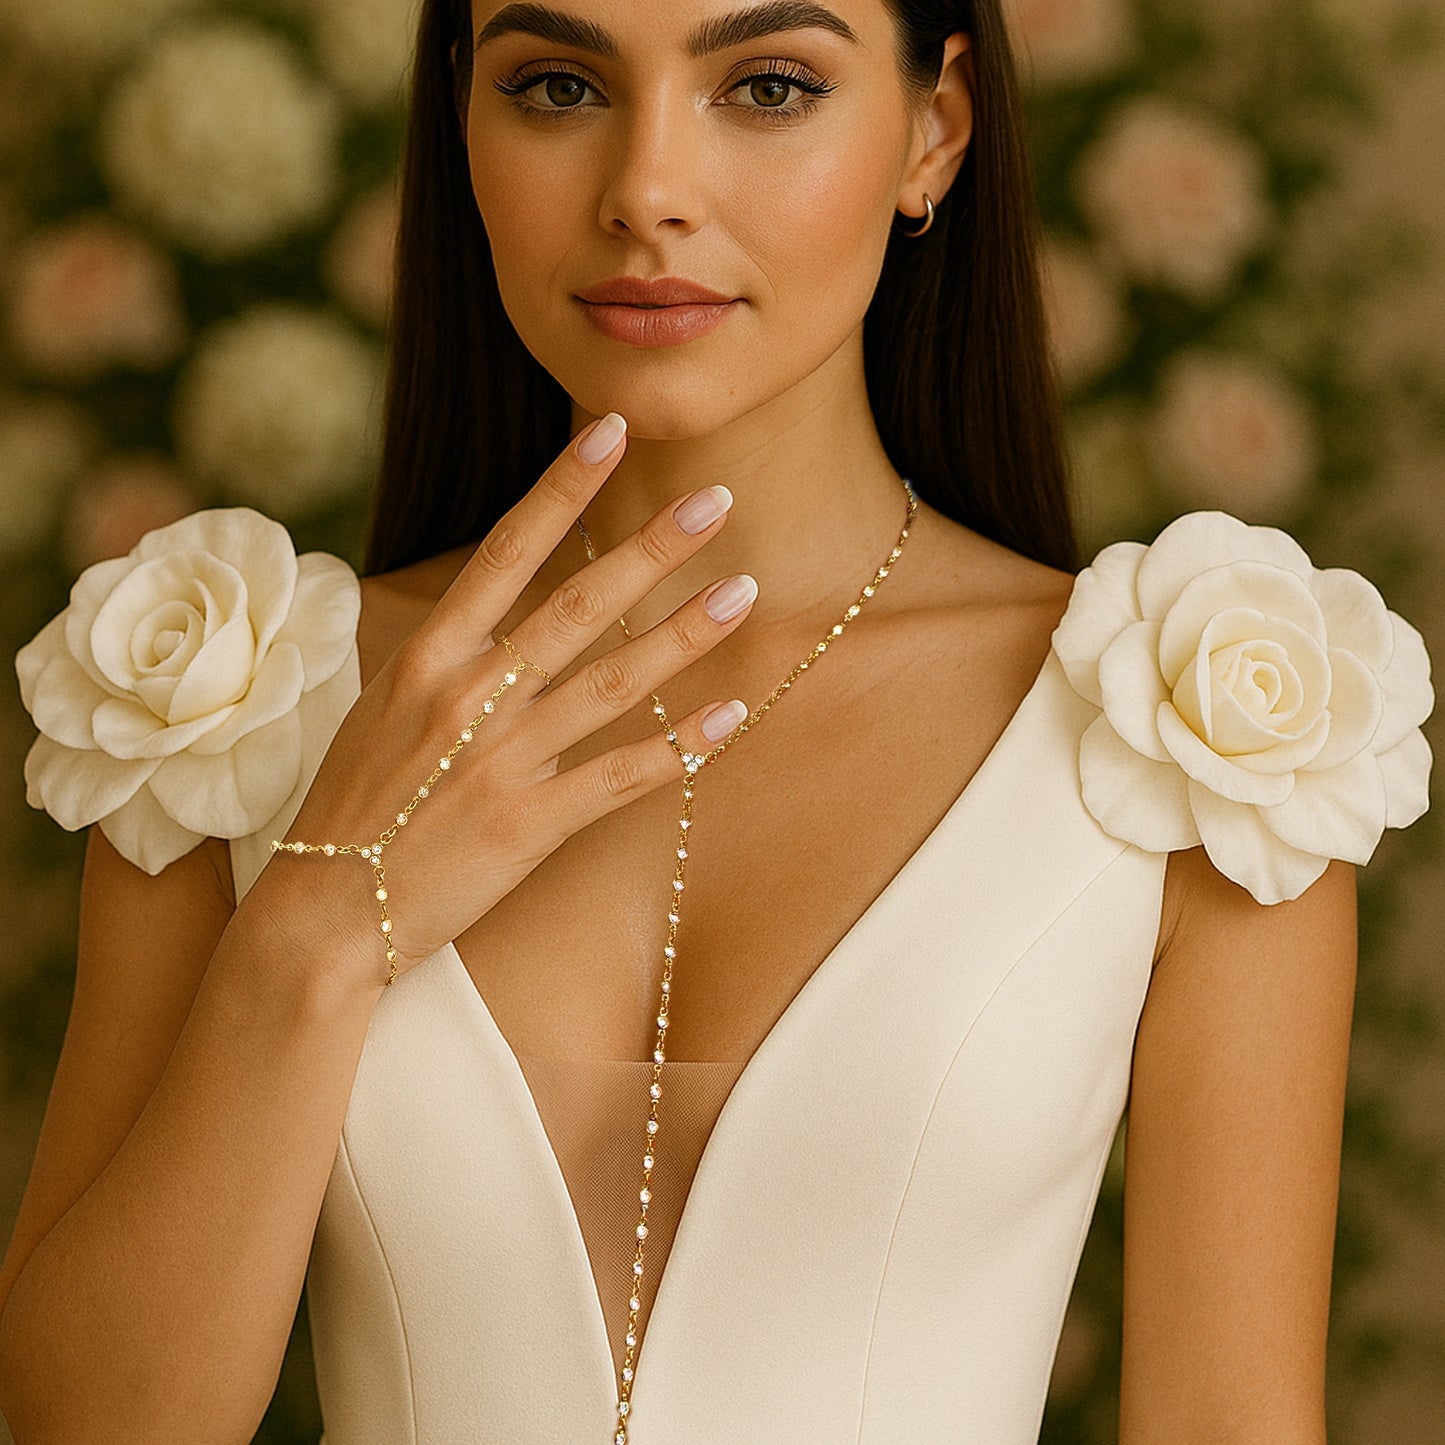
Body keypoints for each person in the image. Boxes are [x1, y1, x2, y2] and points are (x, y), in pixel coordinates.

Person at [0, 1, 1433, 1441]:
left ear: (931, 133)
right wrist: (313, 931)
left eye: (766, 86)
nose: (644, 191)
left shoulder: (1195, 737)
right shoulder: (233, 705)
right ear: (460, 126)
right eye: (557, 85)